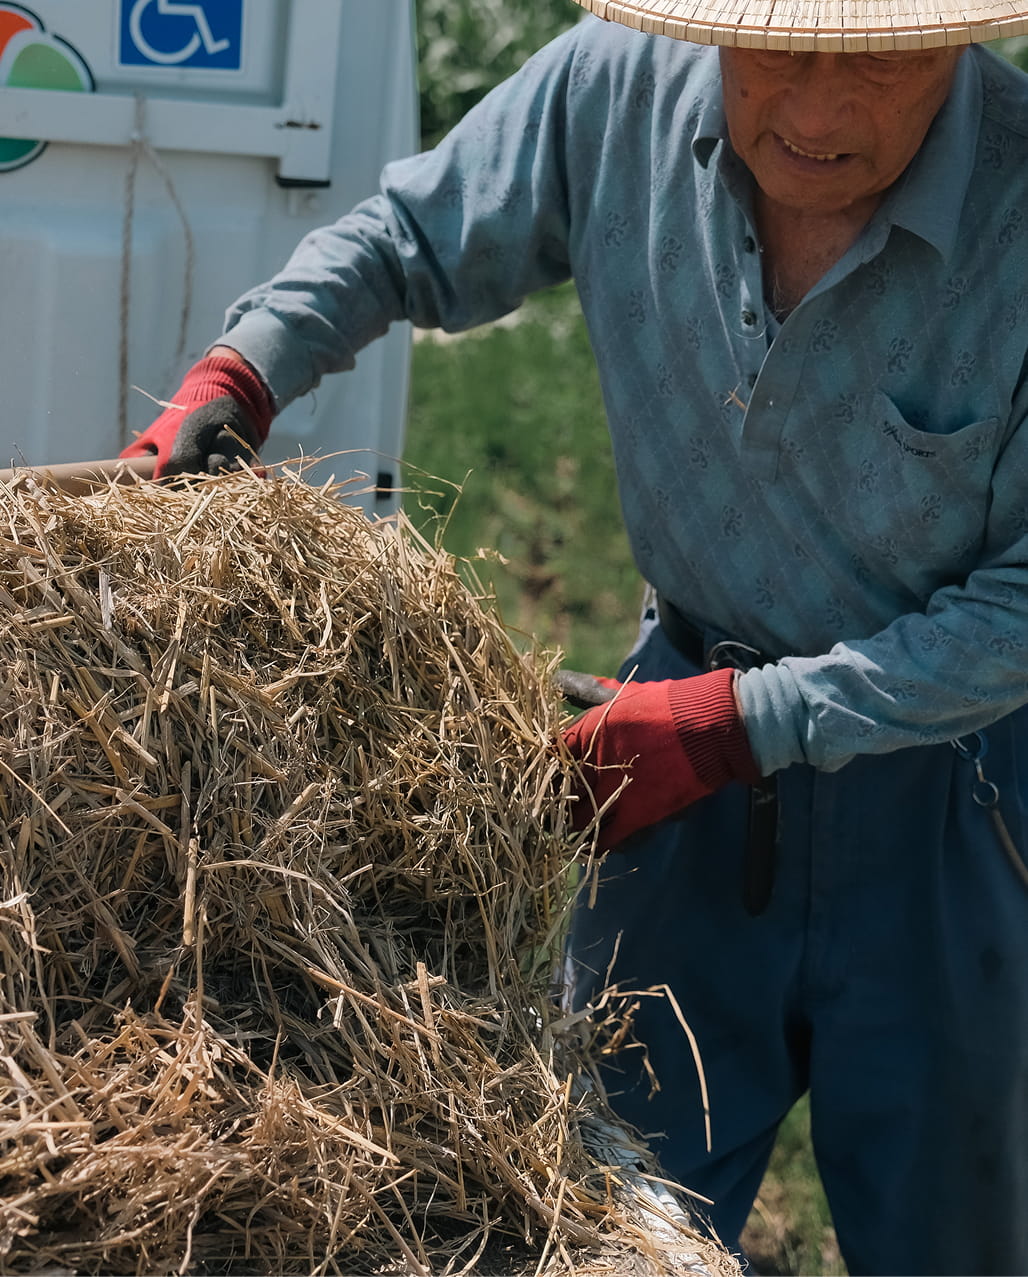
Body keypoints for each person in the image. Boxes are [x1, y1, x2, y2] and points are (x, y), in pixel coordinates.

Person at [122, 0, 1028, 1270]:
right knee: (607, 1212)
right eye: (778, 53)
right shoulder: (613, 93)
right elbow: (406, 238)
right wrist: (247, 367)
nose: (818, 116)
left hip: (953, 790)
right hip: (676, 763)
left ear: (962, 42)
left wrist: (743, 727)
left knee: (949, 1223)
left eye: (875, 64)